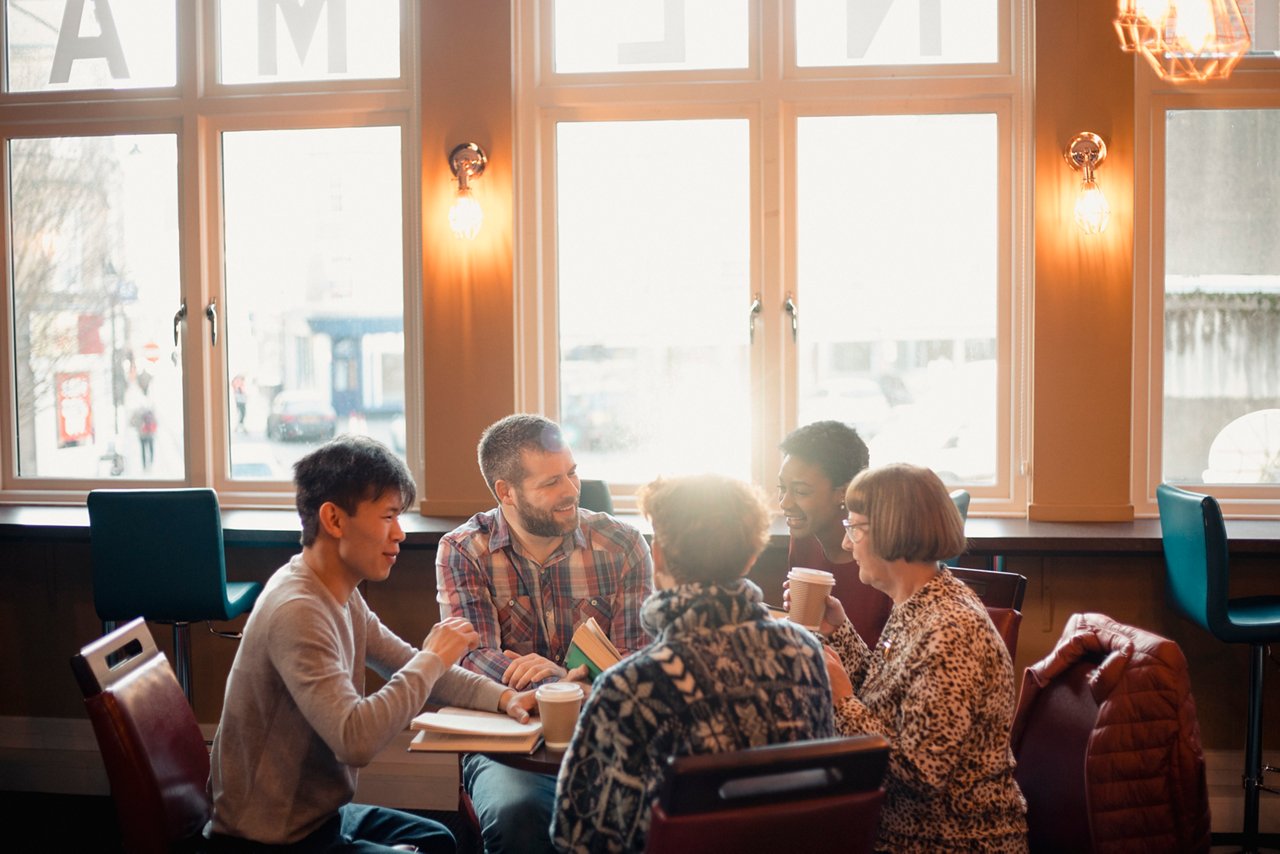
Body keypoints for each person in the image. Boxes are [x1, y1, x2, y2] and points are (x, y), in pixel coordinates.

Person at [207, 435, 534, 853]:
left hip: (320, 819)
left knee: (438, 839)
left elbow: (407, 665)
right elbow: (355, 739)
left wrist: (507, 698)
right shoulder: (298, 610)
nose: (399, 534)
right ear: (334, 519)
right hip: (265, 839)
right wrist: (433, 658)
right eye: (388, 517)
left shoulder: (338, 592)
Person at [552, 474, 835, 853]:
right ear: (751, 557)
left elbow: (576, 838)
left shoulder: (633, 686)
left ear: (661, 558)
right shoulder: (804, 652)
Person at [435, 414, 653, 854]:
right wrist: (563, 683)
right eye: (551, 482)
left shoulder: (624, 545)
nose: (571, 491)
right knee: (518, 814)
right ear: (505, 491)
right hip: (506, 742)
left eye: (572, 473)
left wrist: (557, 676)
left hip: (608, 733)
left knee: (645, 812)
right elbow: (469, 659)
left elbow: (636, 662)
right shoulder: (462, 550)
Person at [818, 463, 1027, 852]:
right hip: (904, 831)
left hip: (948, 841)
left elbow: (920, 775)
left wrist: (843, 702)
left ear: (891, 531)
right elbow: (888, 696)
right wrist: (840, 631)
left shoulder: (951, 630)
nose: (847, 544)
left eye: (855, 528)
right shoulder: (919, 602)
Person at [778, 421, 891, 646]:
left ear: (844, 493)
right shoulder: (804, 537)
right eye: (782, 488)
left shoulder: (884, 553)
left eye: (800, 491)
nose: (784, 503)